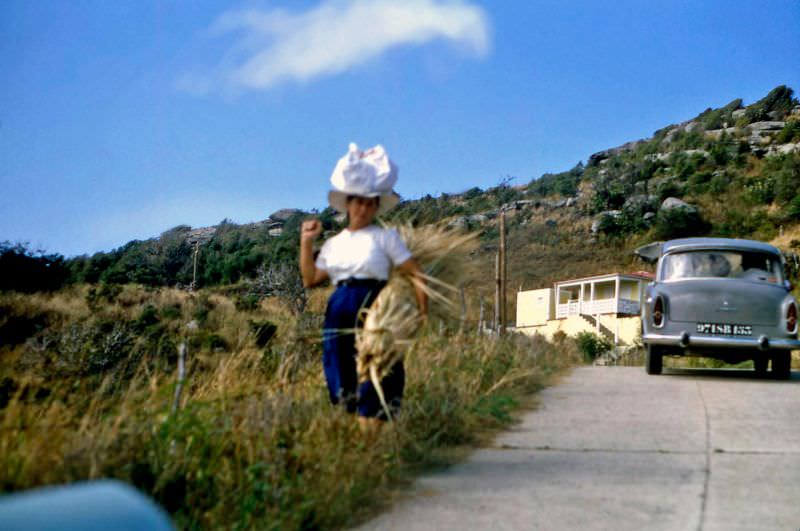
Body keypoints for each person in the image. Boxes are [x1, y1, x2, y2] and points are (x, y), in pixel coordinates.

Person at [299, 143, 427, 428]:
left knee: (378, 364)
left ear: (376, 207)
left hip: (375, 306)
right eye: (360, 202)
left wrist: (421, 313)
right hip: (340, 306)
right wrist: (306, 242)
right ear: (349, 204)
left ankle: (371, 429)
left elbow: (416, 273)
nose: (365, 208)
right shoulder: (334, 244)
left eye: (371, 204)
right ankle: (356, 427)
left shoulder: (385, 238)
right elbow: (310, 279)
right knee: (341, 369)